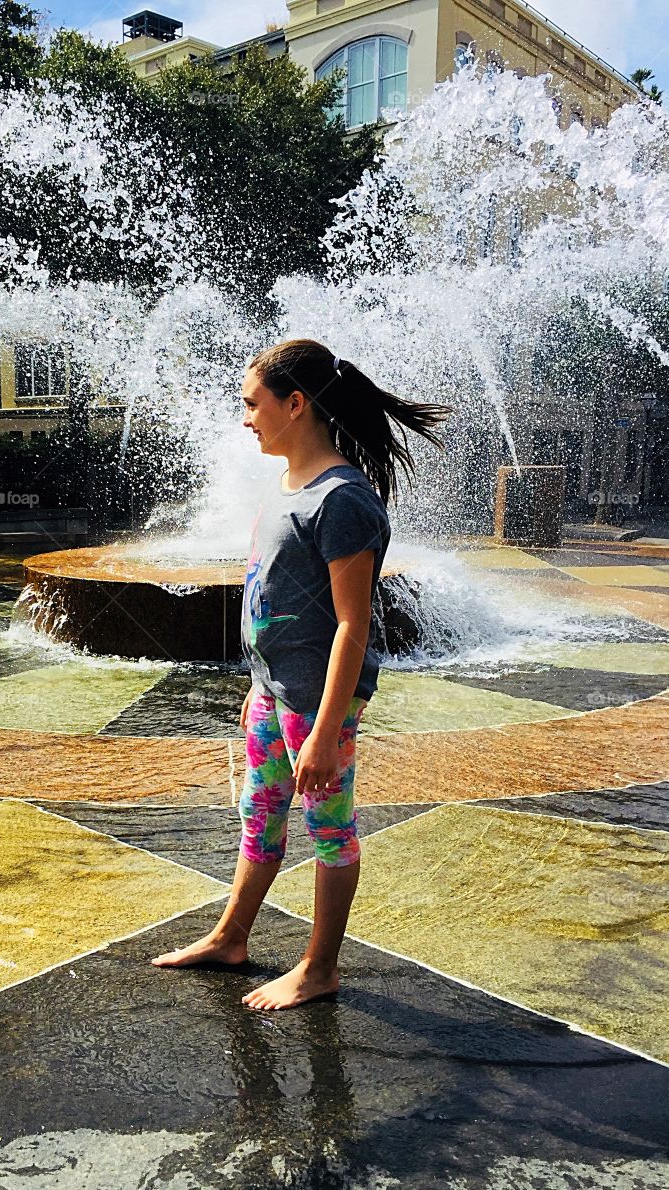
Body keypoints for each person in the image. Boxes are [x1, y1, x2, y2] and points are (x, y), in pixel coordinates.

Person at [152, 338, 451, 1009]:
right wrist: (258, 684)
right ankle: (231, 936)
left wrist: (323, 731)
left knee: (330, 830)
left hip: (318, 706)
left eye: (252, 404)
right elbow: (276, 594)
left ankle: (320, 967)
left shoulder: (342, 499)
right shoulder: (290, 486)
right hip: (275, 695)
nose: (245, 419)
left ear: (295, 404)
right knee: (259, 813)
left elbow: (353, 625)